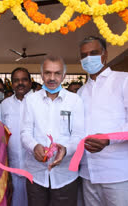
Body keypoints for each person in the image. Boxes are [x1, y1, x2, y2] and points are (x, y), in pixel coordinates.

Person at [77, 36, 128, 206]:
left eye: (93, 53)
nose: (88, 58)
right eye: (84, 55)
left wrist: (109, 138)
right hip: (88, 173)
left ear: (105, 54)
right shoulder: (80, 91)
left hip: (119, 173)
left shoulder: (125, 80)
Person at [21, 56, 85, 206]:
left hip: (66, 176)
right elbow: (25, 132)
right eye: (48, 73)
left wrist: (66, 150)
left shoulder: (75, 101)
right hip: (36, 175)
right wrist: (34, 146)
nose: (52, 78)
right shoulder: (31, 100)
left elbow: (78, 136)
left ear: (63, 75)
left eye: (57, 73)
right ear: (42, 74)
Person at [1, 67, 32, 206]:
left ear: (30, 82)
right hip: (13, 165)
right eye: (16, 80)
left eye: (24, 79)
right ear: (11, 84)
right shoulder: (5, 104)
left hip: (35, 167)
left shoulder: (38, 101)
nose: (20, 83)